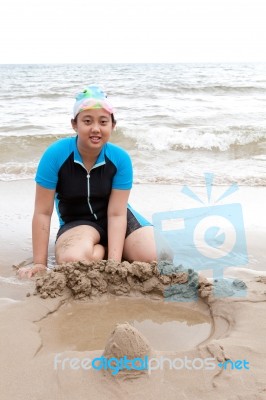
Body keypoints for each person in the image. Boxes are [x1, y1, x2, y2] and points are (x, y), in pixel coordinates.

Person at [19, 85, 157, 278]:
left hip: (118, 218)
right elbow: (43, 212)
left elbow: (117, 214)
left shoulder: (120, 159)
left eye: (103, 122)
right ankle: (102, 249)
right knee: (72, 261)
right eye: (87, 121)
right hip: (78, 223)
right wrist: (40, 264)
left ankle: (112, 250)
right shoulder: (55, 155)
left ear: (112, 125)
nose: (95, 129)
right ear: (74, 124)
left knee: (153, 256)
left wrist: (114, 265)